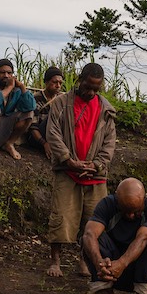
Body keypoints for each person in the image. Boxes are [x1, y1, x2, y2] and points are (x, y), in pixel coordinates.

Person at [46, 63, 117, 278]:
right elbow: (53, 134)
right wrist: (68, 160)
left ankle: (84, 261)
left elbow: (109, 142)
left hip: (95, 174)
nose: (91, 92)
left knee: (93, 222)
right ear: (79, 80)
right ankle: (55, 261)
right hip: (67, 170)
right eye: (88, 87)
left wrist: (97, 164)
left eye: (96, 89)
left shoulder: (106, 109)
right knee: (61, 216)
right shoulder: (60, 103)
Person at [80, 177, 147, 294]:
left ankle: (143, 292)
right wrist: (99, 263)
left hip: (138, 268)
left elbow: (142, 238)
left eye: (136, 211)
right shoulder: (107, 204)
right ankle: (102, 289)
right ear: (117, 199)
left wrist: (122, 263)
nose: (131, 216)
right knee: (89, 237)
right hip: (107, 269)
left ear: (145, 198)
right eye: (126, 211)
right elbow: (90, 234)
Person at [0, 58, 36, 160]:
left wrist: (22, 87)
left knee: (29, 114)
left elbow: (31, 106)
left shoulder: (16, 90)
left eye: (9, 73)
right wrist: (8, 88)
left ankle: (9, 144)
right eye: (2, 72)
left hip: (4, 129)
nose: (6, 76)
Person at [25, 66, 64, 158]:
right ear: (46, 82)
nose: (58, 86)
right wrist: (44, 143)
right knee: (52, 117)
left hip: (55, 135)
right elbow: (32, 127)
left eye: (60, 83)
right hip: (38, 137)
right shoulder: (36, 98)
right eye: (54, 82)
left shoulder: (61, 99)